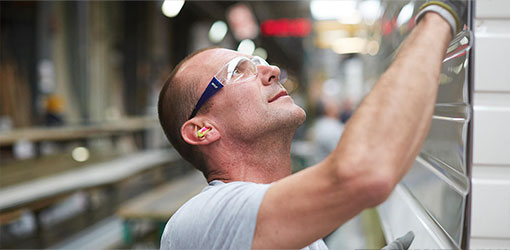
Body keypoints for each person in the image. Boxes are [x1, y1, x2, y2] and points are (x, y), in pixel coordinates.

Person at [157, 1, 466, 249]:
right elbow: (366, 172)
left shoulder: (297, 233)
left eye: (262, 63)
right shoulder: (205, 220)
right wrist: (441, 14)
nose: (272, 70)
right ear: (202, 130)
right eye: (239, 69)